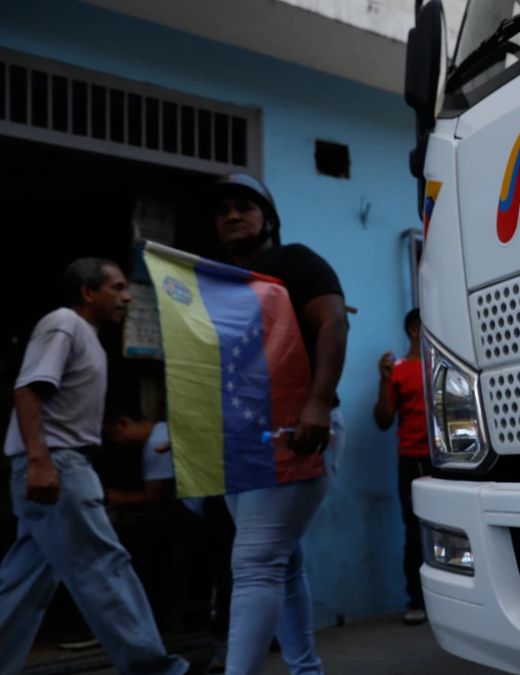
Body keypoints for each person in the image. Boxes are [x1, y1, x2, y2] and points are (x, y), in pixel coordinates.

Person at [0, 258, 190, 675]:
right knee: (105, 567)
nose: (126, 297)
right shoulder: (64, 324)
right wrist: (40, 462)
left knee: (23, 583)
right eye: (118, 288)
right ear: (89, 292)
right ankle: (157, 670)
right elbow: (28, 392)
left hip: (57, 465)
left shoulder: (85, 336)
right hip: (58, 466)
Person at [210, 173, 349, 674]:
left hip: (299, 431)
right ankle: (306, 670)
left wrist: (316, 402)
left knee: (254, 563)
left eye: (244, 206)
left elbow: (333, 322)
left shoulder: (295, 261)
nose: (232, 215)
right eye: (223, 209)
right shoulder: (219, 279)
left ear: (268, 216)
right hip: (244, 437)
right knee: (281, 564)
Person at [106, 411, 234, 672]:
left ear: (123, 423)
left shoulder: (156, 441)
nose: (116, 444)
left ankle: (218, 643)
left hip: (206, 509)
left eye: (113, 436)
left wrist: (109, 496)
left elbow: (152, 498)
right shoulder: (167, 431)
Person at [373, 308, 430, 625]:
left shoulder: (445, 365)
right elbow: (382, 421)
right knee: (415, 530)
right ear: (414, 330)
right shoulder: (397, 370)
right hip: (413, 460)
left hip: (450, 461)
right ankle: (417, 601)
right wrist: (383, 381)